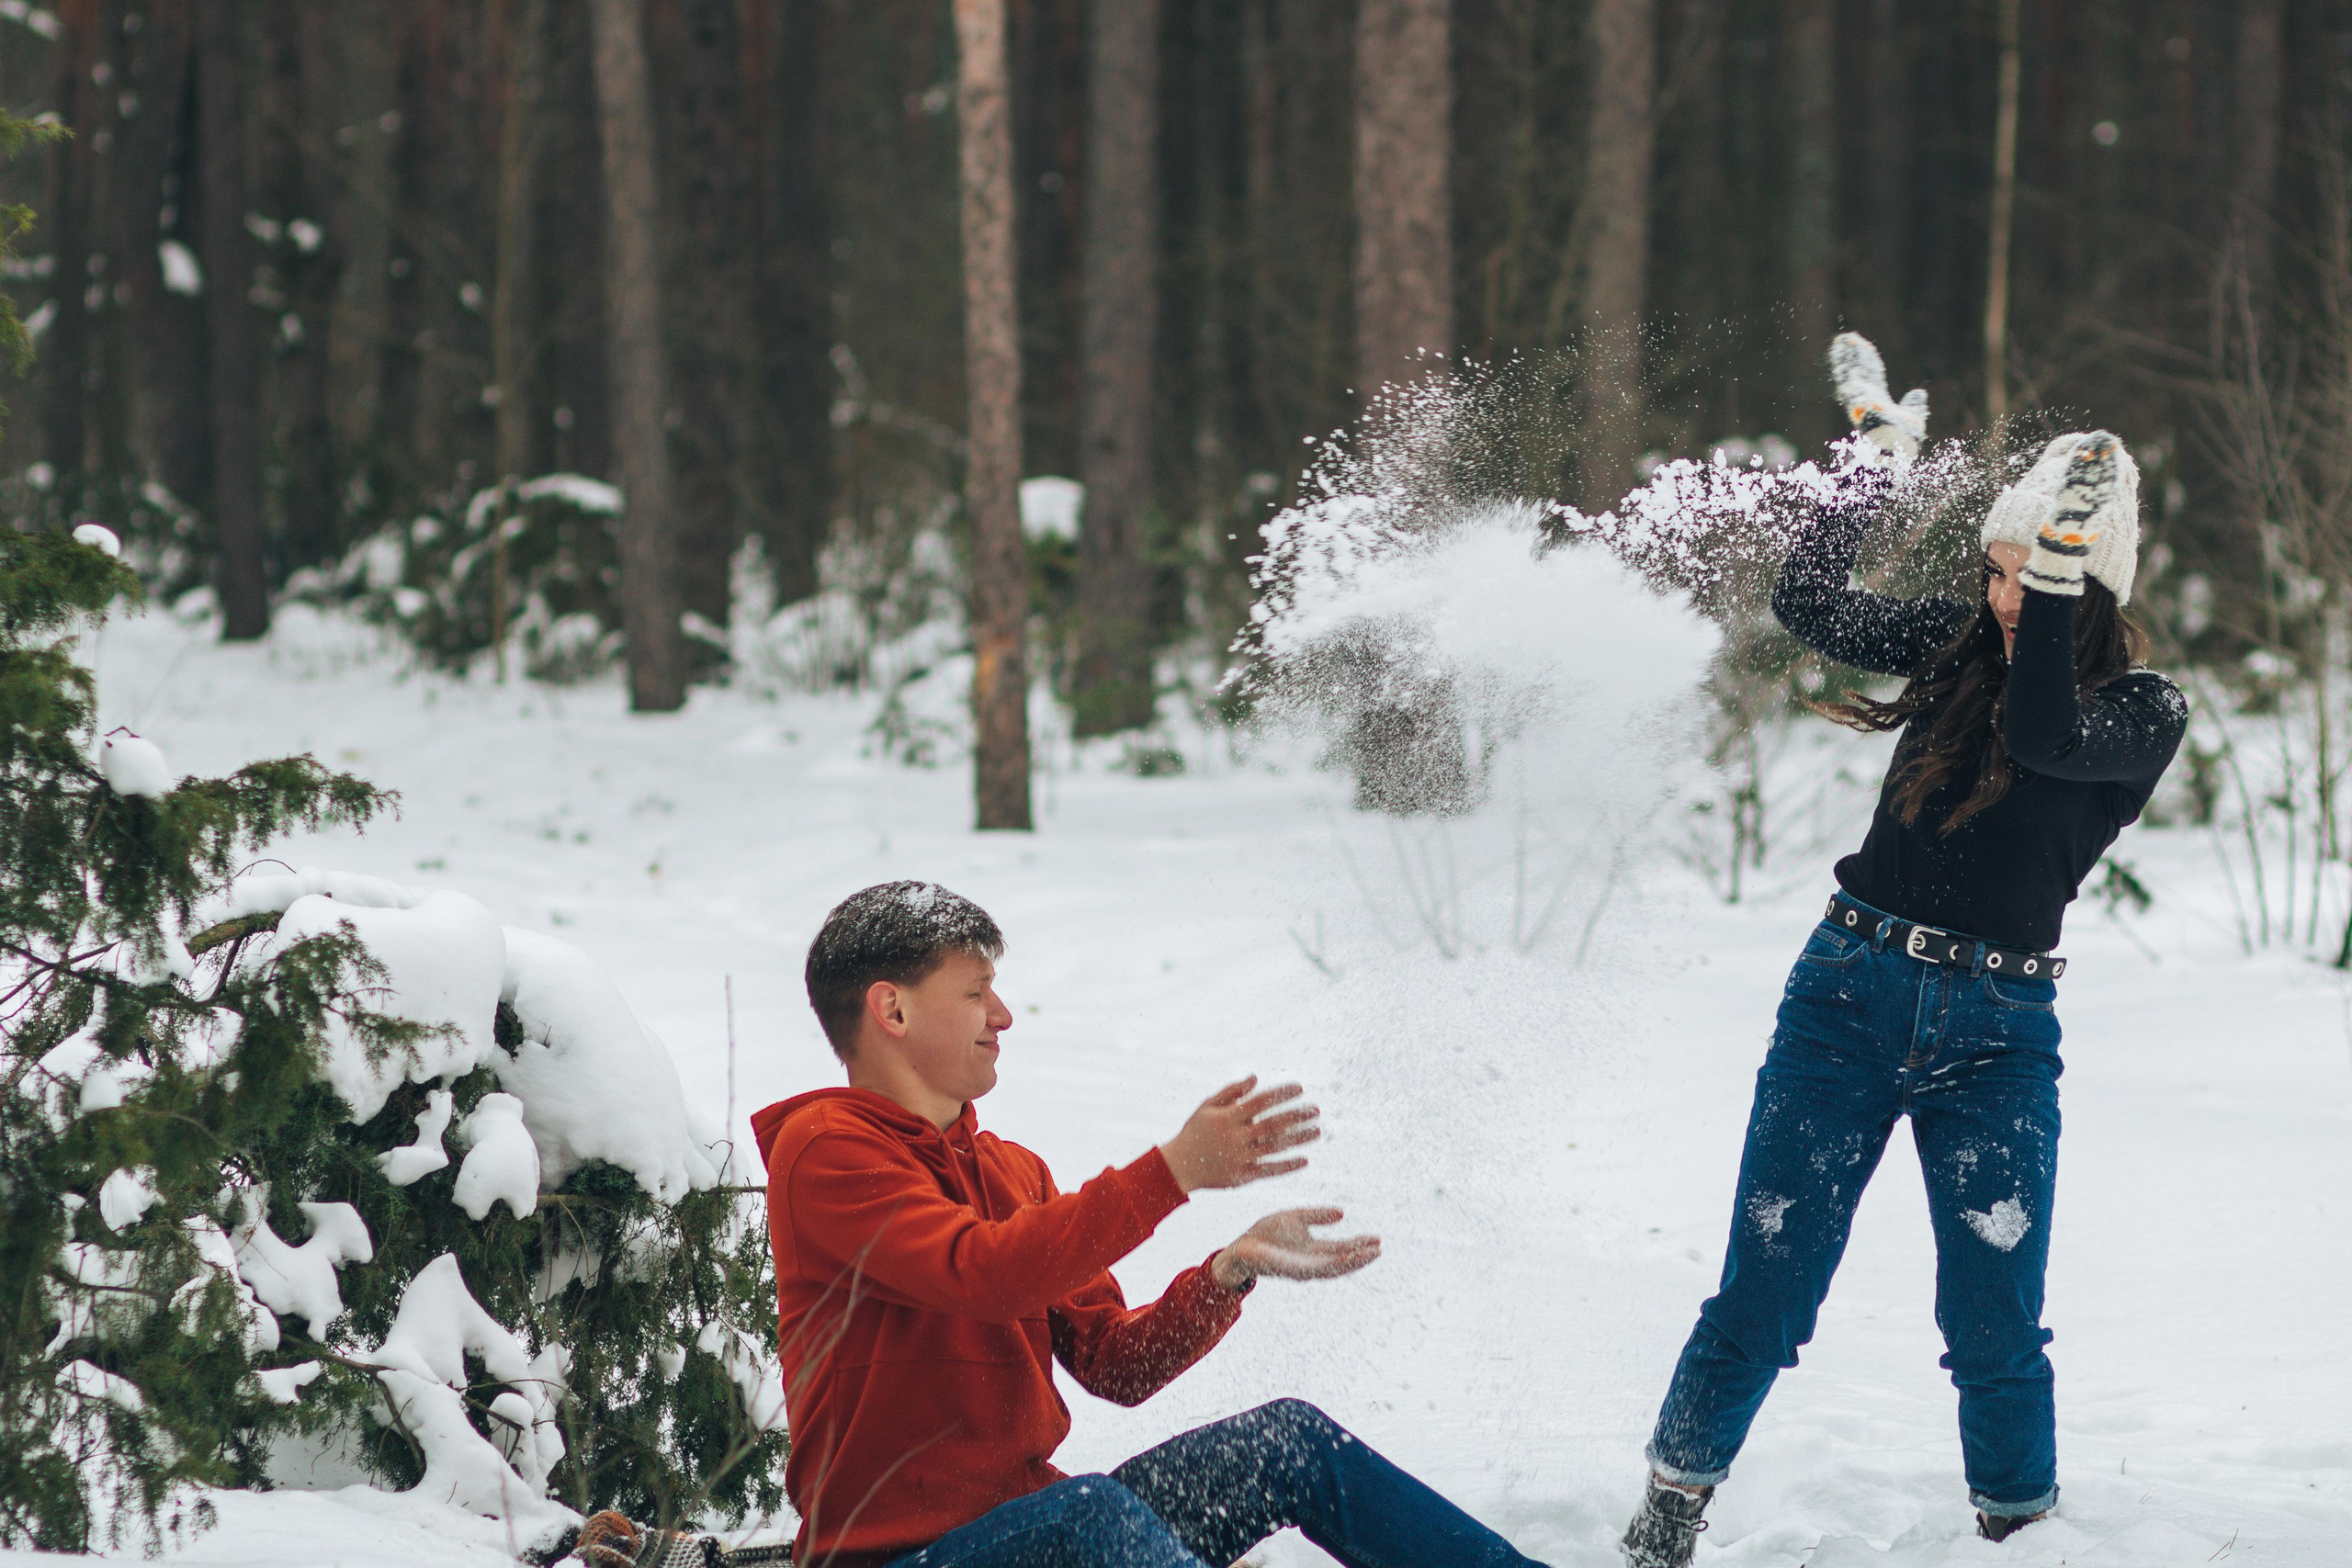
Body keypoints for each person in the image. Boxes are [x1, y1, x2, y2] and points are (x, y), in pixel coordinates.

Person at [1618, 335, 2187, 1568]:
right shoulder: (1964, 644)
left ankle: (2021, 1531)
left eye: (2026, 574)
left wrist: (2050, 579)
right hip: (1847, 996)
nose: (1999, 597)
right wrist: (1867, 468)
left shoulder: (2145, 711)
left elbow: (2044, 735)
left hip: (1998, 1036)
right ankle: (1665, 1511)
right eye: (1993, 570)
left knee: (1993, 1321)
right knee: (1764, 1291)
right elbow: (1810, 604)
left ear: (2092, 571)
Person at [753, 880, 1549, 1568]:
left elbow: (1116, 1363)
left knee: (1290, 1442)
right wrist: (1173, 1171)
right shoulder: (825, 1149)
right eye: (974, 991)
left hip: (1047, 1536)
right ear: (890, 1006)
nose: (1002, 1013)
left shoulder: (1013, 1170)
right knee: (1093, 1511)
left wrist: (1228, 1270)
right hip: (906, 1556)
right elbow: (984, 1273)